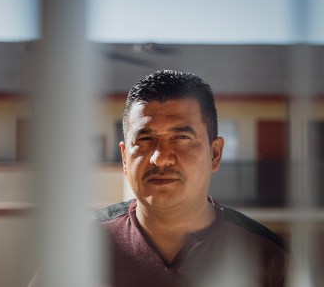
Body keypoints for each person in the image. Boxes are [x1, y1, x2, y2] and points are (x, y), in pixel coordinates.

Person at [95, 70, 289, 287]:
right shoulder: (80, 243)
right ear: (124, 157)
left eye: (181, 137)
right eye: (146, 138)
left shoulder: (269, 258)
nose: (160, 159)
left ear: (214, 154)